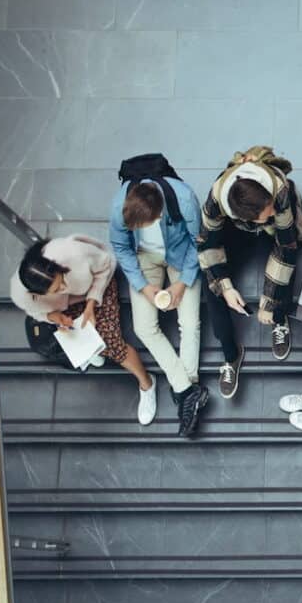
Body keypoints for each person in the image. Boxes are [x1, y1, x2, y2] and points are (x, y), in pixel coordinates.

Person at [198, 146, 302, 399]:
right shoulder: (215, 201)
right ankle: (231, 354)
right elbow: (207, 245)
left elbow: (286, 247)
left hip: (277, 227)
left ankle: (279, 319)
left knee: (288, 268)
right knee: (210, 283)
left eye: (269, 208)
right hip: (238, 230)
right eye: (264, 214)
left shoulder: (278, 192)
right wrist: (225, 287)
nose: (269, 212)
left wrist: (269, 302)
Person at [11, 235, 157, 425]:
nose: (64, 287)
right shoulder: (21, 295)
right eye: (56, 290)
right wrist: (54, 317)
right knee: (71, 336)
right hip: (66, 308)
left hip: (97, 287)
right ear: (35, 294)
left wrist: (91, 304)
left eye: (61, 279)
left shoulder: (75, 253)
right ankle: (92, 348)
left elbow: (107, 264)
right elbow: (34, 312)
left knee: (111, 344)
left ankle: (147, 383)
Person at [109, 176, 209, 438]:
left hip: (181, 256)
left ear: (160, 212)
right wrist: (143, 286)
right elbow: (121, 247)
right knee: (143, 326)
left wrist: (182, 283)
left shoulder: (184, 200)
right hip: (144, 260)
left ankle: (186, 393)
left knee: (189, 322)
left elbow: (197, 242)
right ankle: (187, 391)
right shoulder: (121, 207)